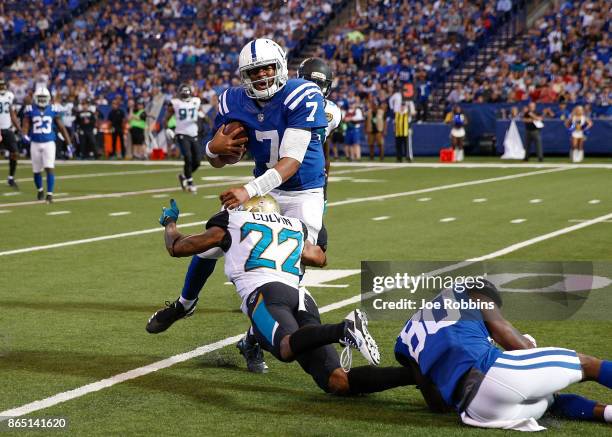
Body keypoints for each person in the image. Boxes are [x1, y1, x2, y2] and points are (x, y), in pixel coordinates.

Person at [146, 39, 329, 374]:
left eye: (267, 68)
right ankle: (185, 303)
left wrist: (248, 190)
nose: (261, 76)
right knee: (213, 240)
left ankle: (251, 339)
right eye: (253, 71)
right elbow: (219, 158)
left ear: (281, 67)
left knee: (287, 274)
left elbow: (290, 162)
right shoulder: (233, 100)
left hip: (302, 192)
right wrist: (212, 149)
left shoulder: (302, 94)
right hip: (263, 190)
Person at [158, 195, 418, 396]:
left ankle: (343, 329)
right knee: (338, 382)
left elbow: (178, 247)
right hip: (301, 297)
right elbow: (320, 257)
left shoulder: (234, 222)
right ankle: (416, 376)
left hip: (264, 294)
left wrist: (170, 223)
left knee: (285, 349)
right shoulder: (295, 225)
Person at [395, 280, 612, 430]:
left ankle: (607, 412)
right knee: (587, 365)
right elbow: (510, 339)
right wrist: (531, 348)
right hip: (493, 374)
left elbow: (437, 405)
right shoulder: (470, 292)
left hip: (477, 411)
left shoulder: (405, 336)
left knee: (548, 400)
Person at [22, 87, 72, 203]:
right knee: (36, 170)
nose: (42, 100)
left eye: (44, 97)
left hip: (49, 142)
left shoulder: (53, 109)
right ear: (35, 98)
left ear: (48, 98)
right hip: (35, 142)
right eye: (40, 97)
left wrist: (69, 143)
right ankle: (40, 190)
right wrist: (24, 135)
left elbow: (61, 127)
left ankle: (50, 194)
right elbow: (25, 125)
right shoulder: (30, 109)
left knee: (49, 168)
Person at [166, 84, 203, 192]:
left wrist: (205, 119)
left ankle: (184, 176)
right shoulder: (175, 103)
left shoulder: (196, 101)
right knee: (188, 157)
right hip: (181, 133)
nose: (185, 95)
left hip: (194, 133)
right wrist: (167, 129)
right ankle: (190, 183)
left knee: (197, 161)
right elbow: (166, 118)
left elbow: (201, 113)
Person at [0, 78, 22, 189]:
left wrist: (19, 128)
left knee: (15, 153)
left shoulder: (9, 96)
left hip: (7, 129)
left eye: (3, 86)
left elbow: (12, 113)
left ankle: (11, 178)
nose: (2, 88)